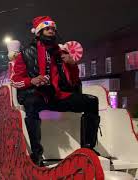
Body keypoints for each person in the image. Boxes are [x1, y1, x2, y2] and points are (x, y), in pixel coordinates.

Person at [10, 16, 100, 166]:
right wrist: (32, 81)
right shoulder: (26, 54)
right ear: (38, 33)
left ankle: (88, 148)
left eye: (53, 29)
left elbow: (74, 80)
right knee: (32, 105)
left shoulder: (61, 52)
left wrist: (72, 64)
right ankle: (37, 154)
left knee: (91, 102)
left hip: (60, 96)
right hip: (38, 95)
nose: (51, 31)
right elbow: (14, 80)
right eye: (47, 29)